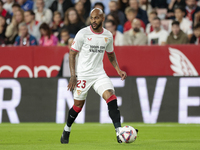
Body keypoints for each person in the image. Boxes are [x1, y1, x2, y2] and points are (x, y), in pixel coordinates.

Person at [60, 8, 134, 144]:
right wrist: (73, 75)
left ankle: (119, 132)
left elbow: (110, 54)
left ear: (103, 18)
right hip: (83, 75)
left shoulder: (108, 35)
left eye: (96, 18)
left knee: (111, 97)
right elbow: (72, 54)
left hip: (99, 74)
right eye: (92, 18)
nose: (93, 21)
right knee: (77, 106)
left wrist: (118, 69)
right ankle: (67, 129)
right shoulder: (83, 33)